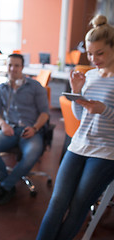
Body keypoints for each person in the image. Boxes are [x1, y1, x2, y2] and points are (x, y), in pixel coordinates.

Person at [37, 15, 114, 240]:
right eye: (90, 53)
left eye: (99, 53)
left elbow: (102, 112)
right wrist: (77, 93)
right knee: (57, 202)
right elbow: (80, 116)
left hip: (106, 152)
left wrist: (104, 110)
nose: (93, 58)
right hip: (78, 146)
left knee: (79, 206)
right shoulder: (89, 75)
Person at [0, 53, 49, 205]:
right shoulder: (2, 88)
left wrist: (35, 128)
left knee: (32, 153)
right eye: (10, 65)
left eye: (17, 65)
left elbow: (45, 113)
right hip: (10, 129)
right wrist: (2, 124)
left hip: (30, 130)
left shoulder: (35, 86)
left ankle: (4, 187)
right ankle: (7, 183)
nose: (13, 69)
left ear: (22, 67)